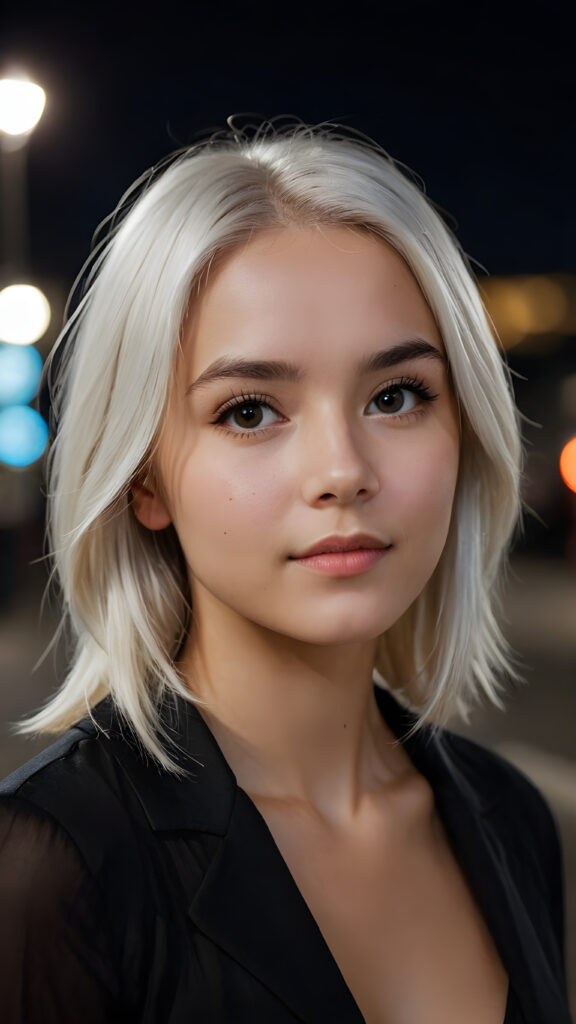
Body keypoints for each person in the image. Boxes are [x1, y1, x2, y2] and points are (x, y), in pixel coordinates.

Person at [0, 120, 571, 1024]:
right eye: (252, 410)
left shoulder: (512, 821)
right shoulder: (47, 865)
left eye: (396, 396)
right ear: (144, 477)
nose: (343, 470)